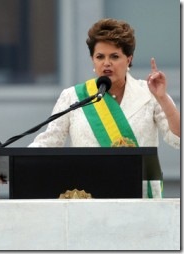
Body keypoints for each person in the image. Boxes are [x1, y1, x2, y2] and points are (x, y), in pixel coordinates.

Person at [28, 18, 180, 198]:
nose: (106, 63)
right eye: (100, 57)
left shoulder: (149, 94)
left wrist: (162, 97)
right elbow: (48, 143)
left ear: (128, 59)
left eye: (114, 56)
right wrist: (14, 165)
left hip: (140, 201)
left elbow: (178, 138)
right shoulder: (74, 96)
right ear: (93, 60)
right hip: (89, 199)